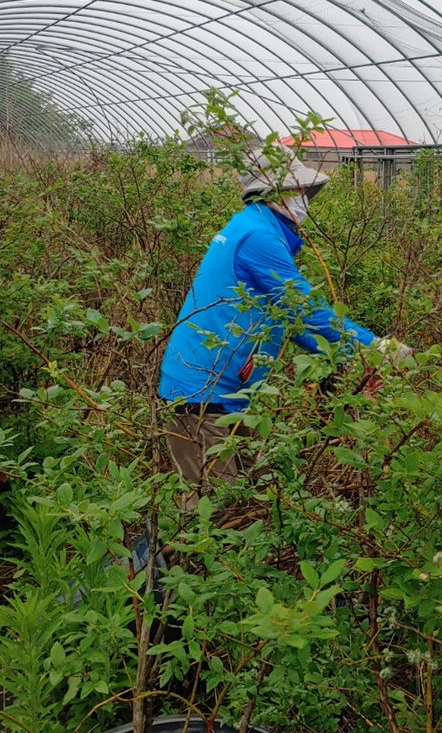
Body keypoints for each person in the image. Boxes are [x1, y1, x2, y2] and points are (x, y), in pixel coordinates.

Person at [159, 146, 404, 506]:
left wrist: (342, 355)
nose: (304, 198)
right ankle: (170, 560)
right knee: (214, 511)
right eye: (298, 190)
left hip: (224, 393)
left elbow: (290, 320)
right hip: (202, 395)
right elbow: (305, 307)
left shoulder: (256, 228)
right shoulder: (257, 237)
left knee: (251, 495)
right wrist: (373, 347)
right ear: (275, 192)